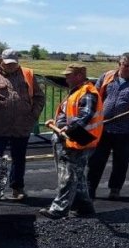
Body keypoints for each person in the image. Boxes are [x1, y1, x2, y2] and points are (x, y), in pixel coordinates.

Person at [0, 48, 45, 201]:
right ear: (0, 61)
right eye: (8, 64)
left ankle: (17, 188)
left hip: (21, 126)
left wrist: (33, 116)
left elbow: (39, 97)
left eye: (14, 64)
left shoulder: (28, 75)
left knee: (19, 159)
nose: (11, 66)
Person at [39, 64, 102, 219]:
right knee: (77, 177)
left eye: (69, 75)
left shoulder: (88, 93)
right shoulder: (76, 92)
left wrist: (69, 127)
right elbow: (66, 112)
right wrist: (58, 122)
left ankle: (59, 210)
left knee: (68, 176)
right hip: (71, 139)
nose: (66, 78)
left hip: (79, 141)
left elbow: (85, 115)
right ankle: (85, 208)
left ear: (79, 75)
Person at [87, 53, 129, 200]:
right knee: (96, 161)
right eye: (126, 66)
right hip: (102, 129)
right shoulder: (106, 77)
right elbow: (94, 96)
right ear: (119, 64)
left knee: (121, 163)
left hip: (126, 132)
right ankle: (90, 190)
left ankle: (115, 190)